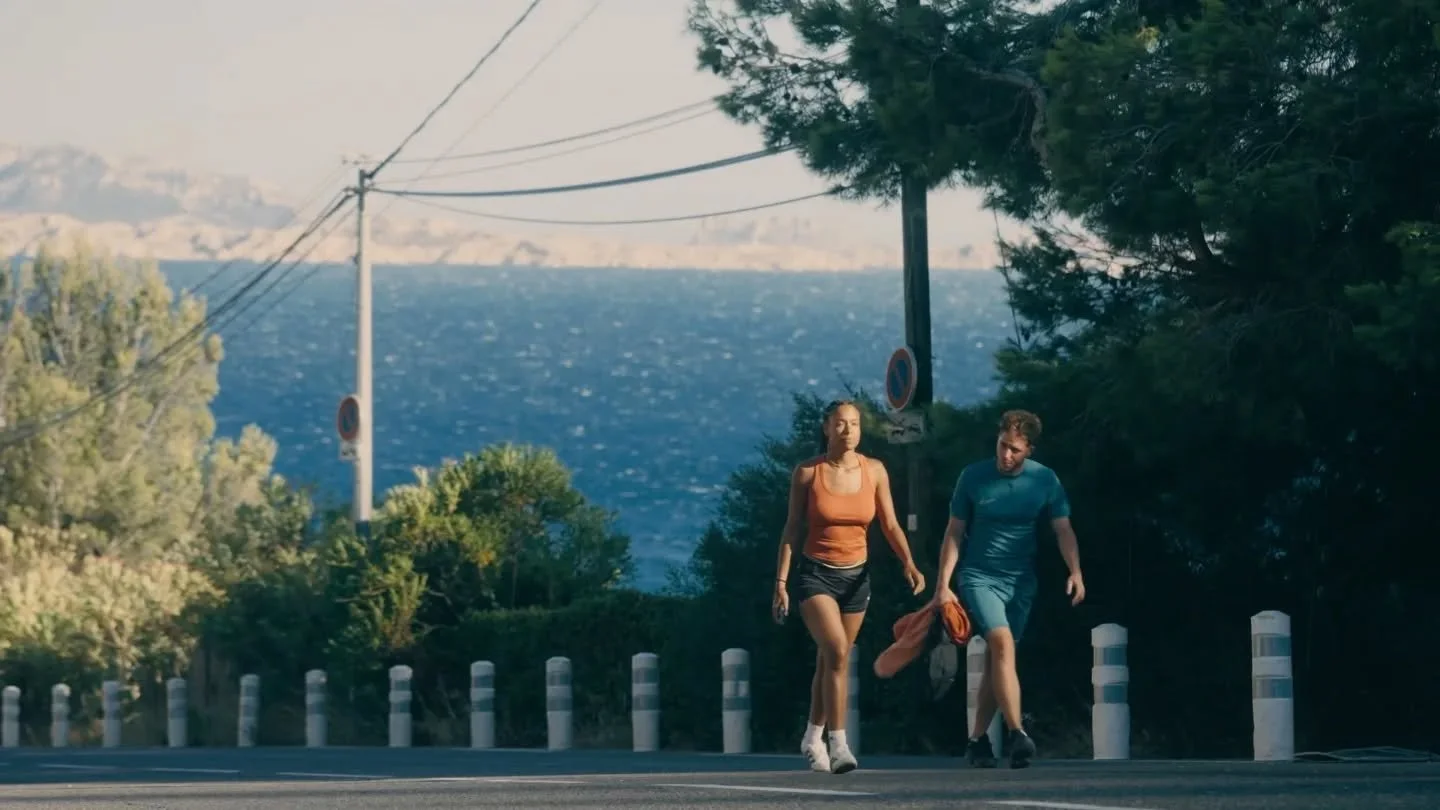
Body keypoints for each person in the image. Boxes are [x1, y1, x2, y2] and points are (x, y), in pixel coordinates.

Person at [772, 399, 926, 774]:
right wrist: (781, 583)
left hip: (856, 578)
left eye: (854, 424)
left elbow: (889, 523)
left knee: (831, 660)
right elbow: (792, 528)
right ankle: (839, 744)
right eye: (840, 424)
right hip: (815, 575)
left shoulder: (874, 471)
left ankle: (812, 735)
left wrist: (908, 562)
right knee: (839, 650)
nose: (848, 431)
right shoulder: (808, 474)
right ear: (826, 427)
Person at [930, 409, 1086, 769]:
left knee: (998, 661)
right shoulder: (973, 477)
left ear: (1029, 449)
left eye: (1014, 450)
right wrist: (943, 585)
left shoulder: (1045, 480)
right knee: (1000, 644)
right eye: (1002, 446)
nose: (1005, 455)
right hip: (978, 576)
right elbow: (954, 532)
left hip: (1020, 582)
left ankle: (977, 740)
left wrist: (1075, 571)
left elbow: (1063, 529)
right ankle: (1018, 733)